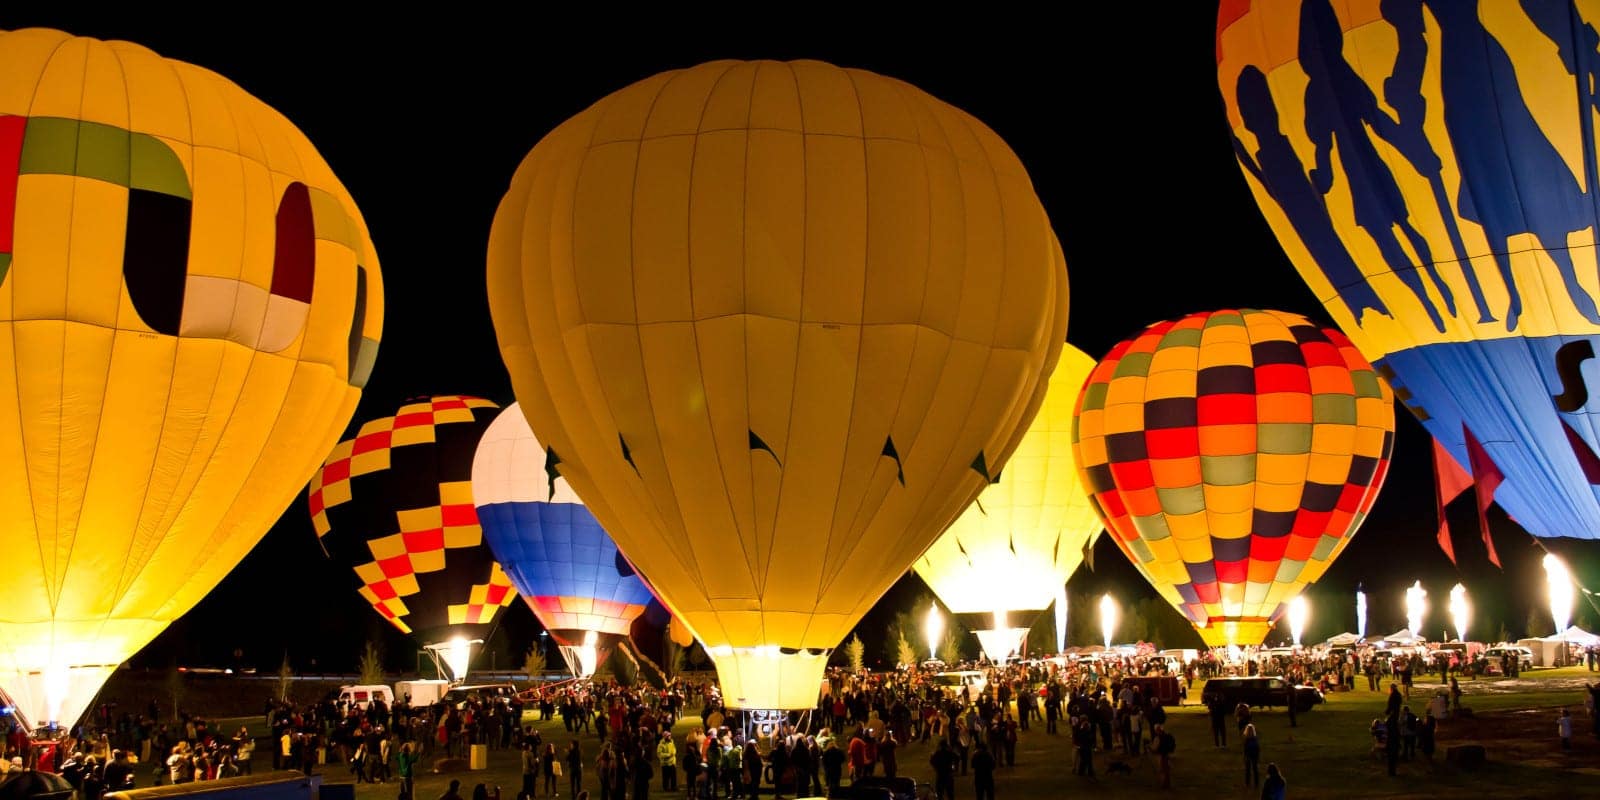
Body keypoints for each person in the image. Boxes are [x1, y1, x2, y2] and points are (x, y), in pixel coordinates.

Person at [1154, 724, 1175, 790]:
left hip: (1161, 755)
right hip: (1167, 754)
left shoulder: (1157, 738)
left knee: (1162, 770)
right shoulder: (1168, 736)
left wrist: (1149, 747)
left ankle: (1163, 785)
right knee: (1167, 770)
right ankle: (1168, 784)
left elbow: (1155, 748)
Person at [1242, 723, 1260, 787]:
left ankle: (1253, 783)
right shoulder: (1252, 739)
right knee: (1249, 770)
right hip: (1250, 755)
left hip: (1252, 755)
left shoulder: (1249, 740)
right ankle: (1249, 783)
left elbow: (1256, 748)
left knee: (1252, 770)